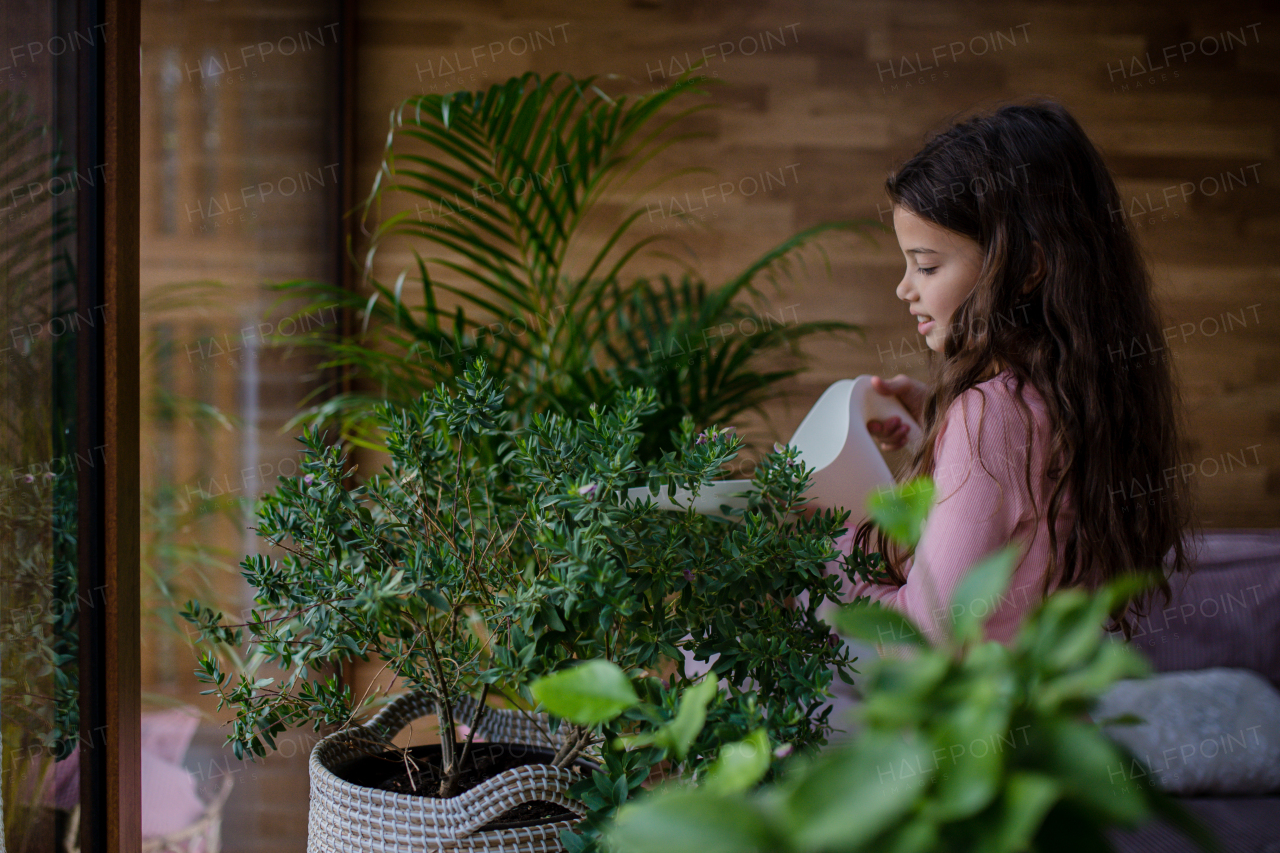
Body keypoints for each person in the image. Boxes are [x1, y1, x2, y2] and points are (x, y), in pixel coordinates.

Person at [837, 100, 1192, 646]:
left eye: (926, 265)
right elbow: (1023, 528)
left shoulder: (990, 416)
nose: (905, 288)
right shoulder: (1072, 398)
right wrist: (933, 430)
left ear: (1027, 267)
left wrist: (825, 541)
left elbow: (922, 644)